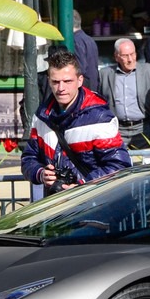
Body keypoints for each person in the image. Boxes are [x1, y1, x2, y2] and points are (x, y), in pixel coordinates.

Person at [20, 48, 131, 197]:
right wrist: (40, 173)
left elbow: (119, 165)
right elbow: (29, 158)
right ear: (48, 81)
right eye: (55, 82)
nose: (61, 88)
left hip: (93, 202)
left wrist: (83, 185)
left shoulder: (99, 116)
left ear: (80, 81)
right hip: (55, 204)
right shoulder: (42, 116)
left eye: (67, 81)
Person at [100, 38, 150, 148]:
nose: (130, 59)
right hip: (117, 130)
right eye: (125, 55)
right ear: (116, 57)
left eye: (132, 54)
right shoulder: (105, 74)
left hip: (144, 129)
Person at [70, 10, 100, 95]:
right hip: (93, 88)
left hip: (84, 91)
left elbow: (80, 69)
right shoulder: (89, 39)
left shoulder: (75, 41)